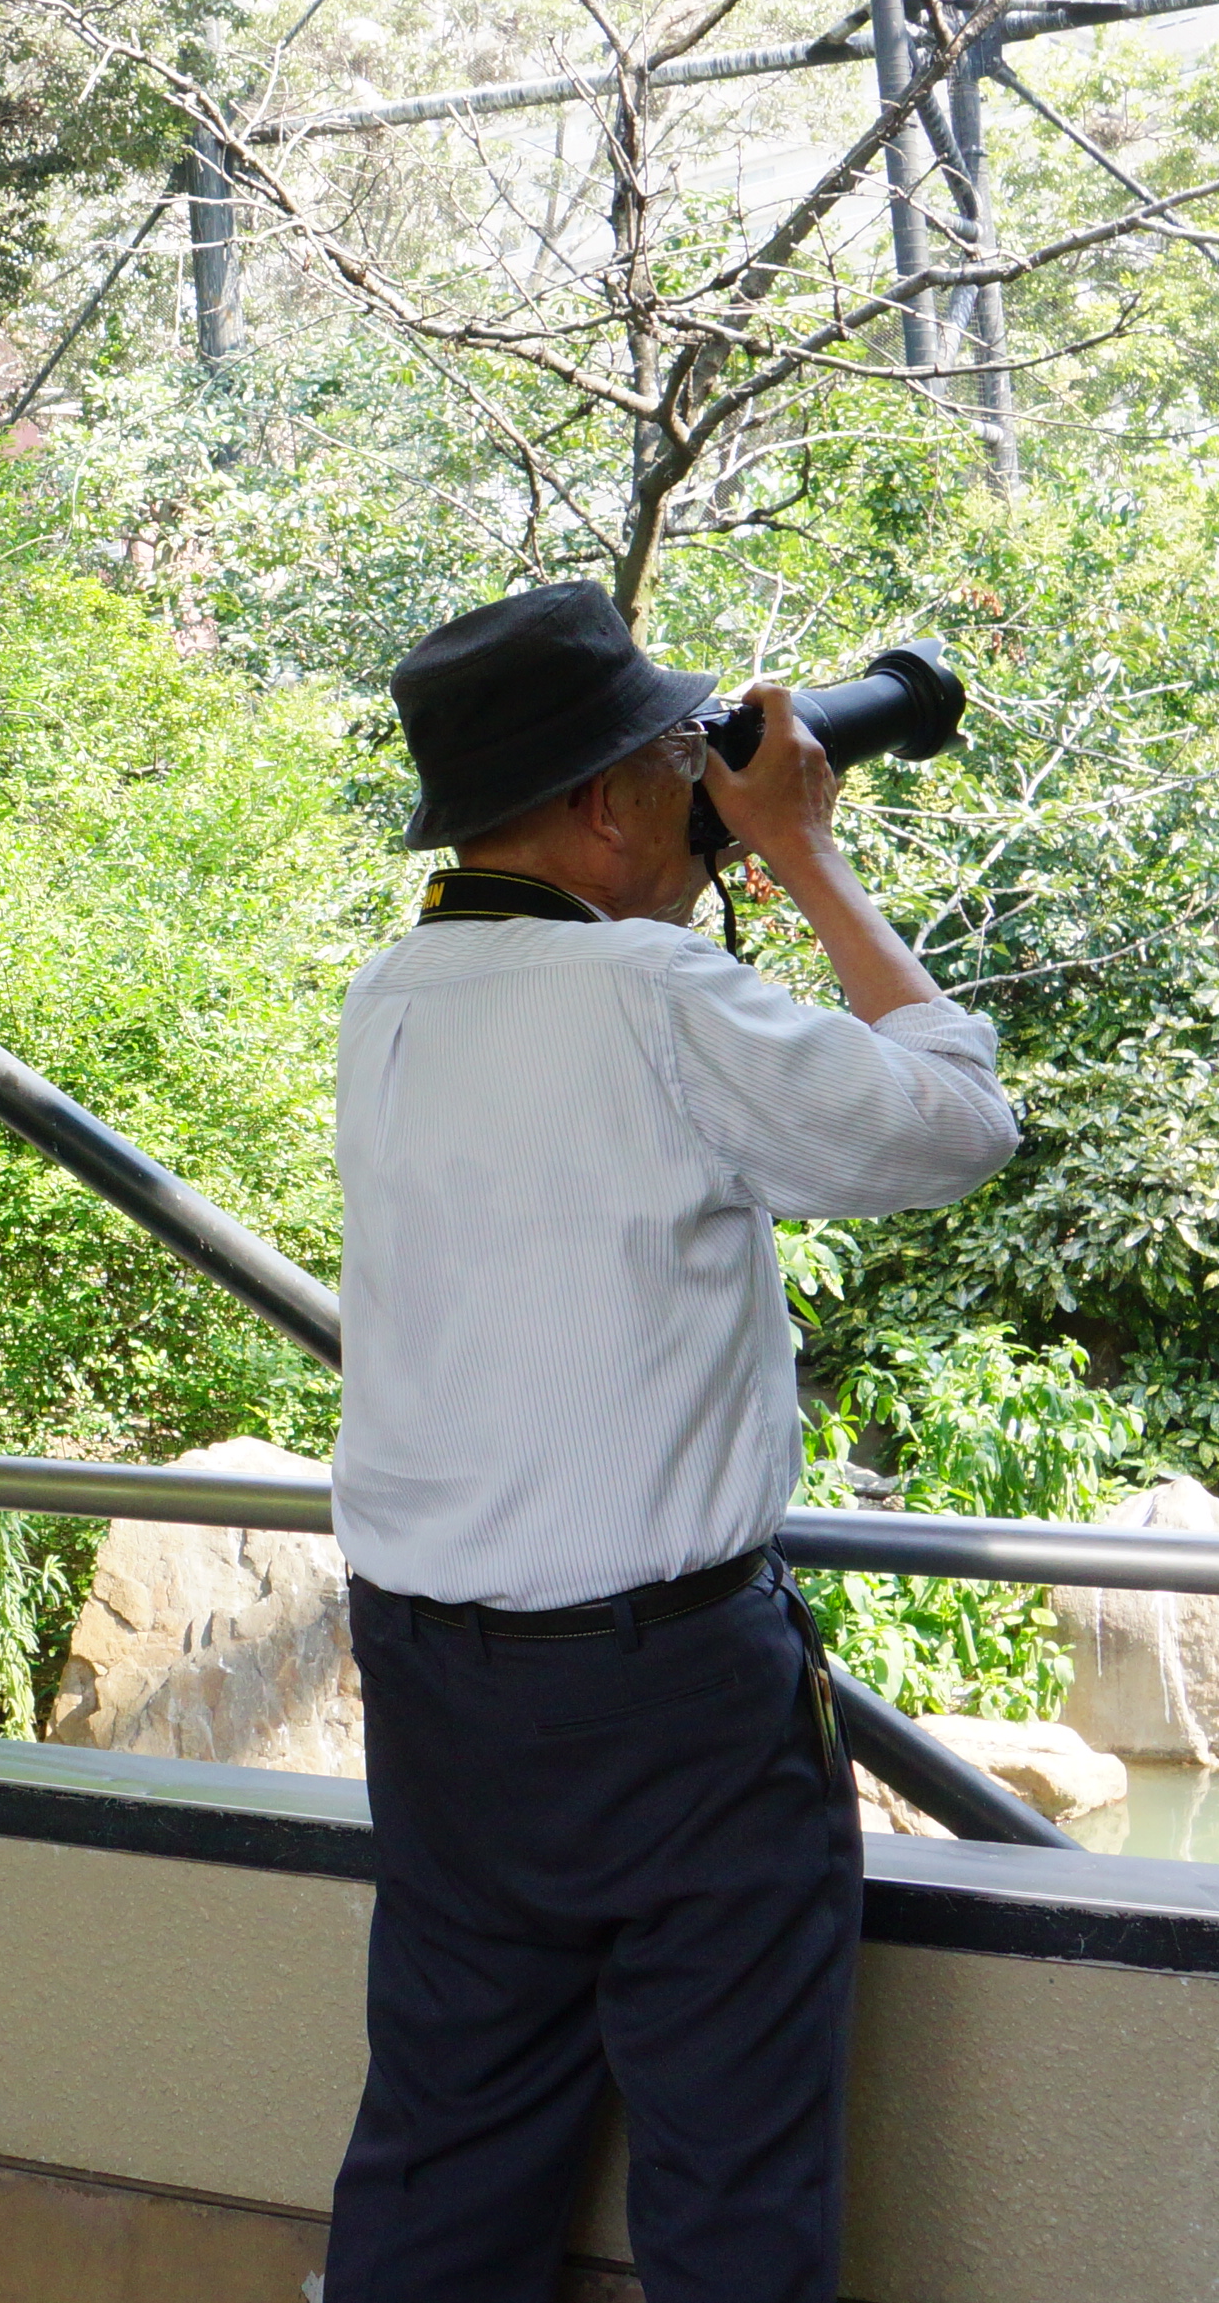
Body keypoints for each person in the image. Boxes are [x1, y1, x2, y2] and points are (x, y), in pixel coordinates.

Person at [322, 583, 1021, 2303]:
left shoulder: (393, 995)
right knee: (732, 2182)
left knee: (444, 2156)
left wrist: (714, 855)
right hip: (667, 1703)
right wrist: (803, 858)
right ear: (605, 802)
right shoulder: (651, 992)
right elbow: (956, 1128)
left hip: (436, 1687)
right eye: (669, 758)